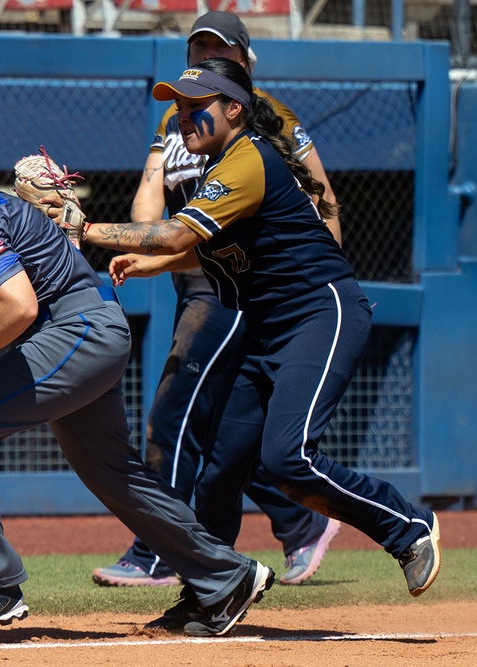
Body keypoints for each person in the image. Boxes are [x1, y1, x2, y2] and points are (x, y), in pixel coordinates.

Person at [0, 128, 274, 637]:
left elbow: (18, 305)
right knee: (112, 474)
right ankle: (226, 576)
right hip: (84, 333)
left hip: (76, 330)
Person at [77, 58, 441, 630]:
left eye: (198, 106)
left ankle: (406, 526)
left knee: (287, 459)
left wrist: (85, 229)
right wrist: (154, 265)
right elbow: (205, 245)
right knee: (221, 468)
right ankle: (214, 589)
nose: (183, 116)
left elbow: (175, 230)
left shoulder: (247, 159)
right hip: (266, 326)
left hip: (320, 314)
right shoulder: (220, 166)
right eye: (179, 106)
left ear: (235, 110)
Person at [91, 10, 341, 591]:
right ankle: (299, 523)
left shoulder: (264, 113)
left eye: (219, 51)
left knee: (175, 413)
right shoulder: (178, 115)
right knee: (221, 428)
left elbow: (320, 189)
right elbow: (152, 189)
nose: (206, 59)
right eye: (198, 49)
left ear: (245, 62)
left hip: (234, 278)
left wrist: (319, 267)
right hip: (192, 267)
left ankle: (158, 550)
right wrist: (147, 247)